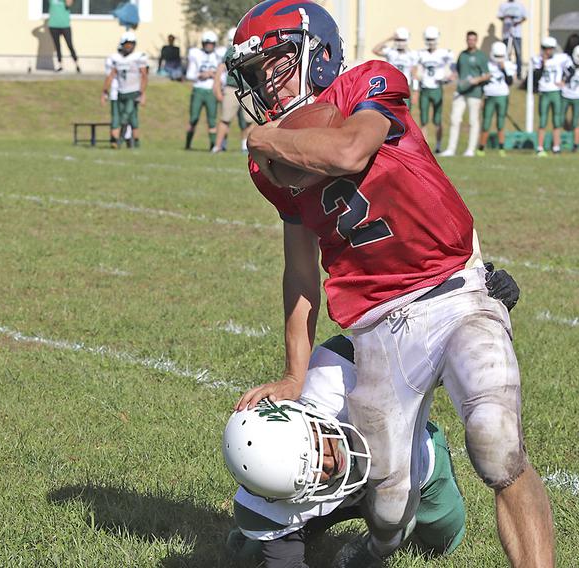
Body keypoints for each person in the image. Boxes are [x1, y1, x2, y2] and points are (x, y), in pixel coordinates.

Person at [227, 2, 554, 567]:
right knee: (388, 503)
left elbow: (351, 149)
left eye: (276, 64)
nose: (266, 84)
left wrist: (267, 140)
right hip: (377, 323)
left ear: (317, 54)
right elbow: (301, 271)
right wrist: (293, 373)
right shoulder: (270, 169)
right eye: (256, 75)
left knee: (497, 444)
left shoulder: (367, 83)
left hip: (454, 291)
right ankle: (374, 549)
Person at [223, 263, 520, 568]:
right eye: (312, 474)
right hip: (335, 497)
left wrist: (479, 307)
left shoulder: (337, 371)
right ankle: (269, 535)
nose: (330, 463)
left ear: (304, 420)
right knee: (251, 559)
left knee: (440, 543)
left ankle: (376, 541)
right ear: (276, 494)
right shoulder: (262, 506)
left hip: (406, 458)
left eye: (315, 450)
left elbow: (426, 360)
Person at [440, 31, 490, 157]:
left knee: (473, 121)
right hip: (461, 91)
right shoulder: (462, 55)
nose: (471, 41)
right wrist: (452, 76)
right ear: (466, 40)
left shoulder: (481, 56)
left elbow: (487, 75)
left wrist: (476, 80)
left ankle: (470, 150)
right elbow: (458, 71)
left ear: (476, 40)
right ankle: (451, 149)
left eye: (473, 39)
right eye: (469, 39)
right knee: (455, 119)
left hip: (474, 93)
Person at [102, 32, 148, 149]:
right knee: (123, 117)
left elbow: (144, 75)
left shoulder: (138, 57)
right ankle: (124, 142)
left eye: (131, 45)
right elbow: (111, 75)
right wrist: (105, 92)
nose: (130, 47)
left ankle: (122, 141)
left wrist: (142, 93)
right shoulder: (116, 58)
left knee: (127, 117)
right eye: (127, 45)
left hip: (133, 92)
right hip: (121, 91)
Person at [213, 27, 255, 154]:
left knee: (250, 120)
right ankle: (217, 146)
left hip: (248, 89)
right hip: (232, 88)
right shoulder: (230, 51)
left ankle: (247, 147)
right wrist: (217, 88)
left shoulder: (250, 48)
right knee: (225, 118)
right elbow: (221, 68)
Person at [414, 26, 453, 153]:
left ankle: (438, 145)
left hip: (437, 89)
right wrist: (416, 87)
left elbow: (453, 66)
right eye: (429, 39)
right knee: (423, 120)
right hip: (425, 89)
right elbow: (414, 69)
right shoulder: (421, 53)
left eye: (433, 39)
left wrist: (448, 76)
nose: (431, 41)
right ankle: (425, 148)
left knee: (437, 120)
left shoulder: (443, 53)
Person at [533, 36, 570, 156]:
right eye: (546, 48)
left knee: (557, 120)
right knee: (543, 120)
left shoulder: (561, 58)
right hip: (544, 92)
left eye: (550, 49)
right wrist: (543, 64)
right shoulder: (537, 59)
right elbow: (535, 76)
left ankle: (556, 147)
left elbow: (572, 68)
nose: (548, 51)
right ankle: (539, 147)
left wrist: (565, 80)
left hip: (556, 92)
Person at [477, 41, 516, 156]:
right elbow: (482, 82)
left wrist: (503, 69)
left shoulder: (508, 64)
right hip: (489, 96)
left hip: (502, 96)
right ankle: (481, 148)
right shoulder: (487, 64)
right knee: (486, 122)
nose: (499, 58)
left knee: (500, 123)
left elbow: (510, 82)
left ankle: (501, 147)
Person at [185, 31, 221, 151]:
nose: (209, 45)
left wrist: (213, 74)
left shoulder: (218, 55)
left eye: (211, 43)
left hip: (211, 90)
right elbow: (189, 74)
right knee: (193, 118)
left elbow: (223, 75)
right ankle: (188, 144)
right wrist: (201, 75)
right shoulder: (196, 54)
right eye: (207, 43)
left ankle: (213, 146)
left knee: (212, 120)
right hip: (198, 89)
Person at [371, 28, 418, 108]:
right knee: (390, 110)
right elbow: (375, 50)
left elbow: (414, 75)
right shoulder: (390, 52)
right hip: (391, 85)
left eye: (402, 40)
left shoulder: (412, 54)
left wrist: (416, 91)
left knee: (405, 111)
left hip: (405, 86)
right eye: (398, 40)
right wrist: (389, 39)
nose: (400, 42)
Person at [46, 0, 80, 73]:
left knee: (69, 44)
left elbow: (69, 3)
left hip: (65, 25)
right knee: (57, 46)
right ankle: (60, 65)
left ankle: (77, 64)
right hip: (53, 25)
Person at [497, 0, 527, 79]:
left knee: (518, 54)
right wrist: (507, 18)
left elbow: (524, 17)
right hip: (506, 34)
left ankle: (519, 74)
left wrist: (517, 22)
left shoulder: (519, 5)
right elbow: (500, 16)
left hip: (517, 33)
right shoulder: (503, 5)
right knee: (506, 54)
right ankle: (506, 73)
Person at [564, 46, 579, 152]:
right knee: (560, 119)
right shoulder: (568, 63)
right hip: (565, 95)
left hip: (577, 96)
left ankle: (576, 145)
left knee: (576, 122)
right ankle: (561, 141)